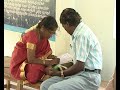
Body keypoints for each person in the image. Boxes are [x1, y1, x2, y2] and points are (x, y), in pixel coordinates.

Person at [40, 8, 102, 90]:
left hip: (89, 78)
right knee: (45, 85)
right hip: (79, 74)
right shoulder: (78, 33)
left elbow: (79, 66)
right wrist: (56, 68)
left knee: (54, 88)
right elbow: (74, 62)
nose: (65, 29)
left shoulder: (82, 35)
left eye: (63, 26)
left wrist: (59, 73)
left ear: (67, 24)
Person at [10, 16, 60, 84]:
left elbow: (45, 54)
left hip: (33, 61)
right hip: (20, 64)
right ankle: (44, 74)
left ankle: (45, 72)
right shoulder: (32, 36)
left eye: (52, 33)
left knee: (56, 64)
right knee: (35, 71)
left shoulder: (44, 38)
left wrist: (52, 59)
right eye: (50, 32)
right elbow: (31, 59)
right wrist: (48, 63)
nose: (51, 35)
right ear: (43, 28)